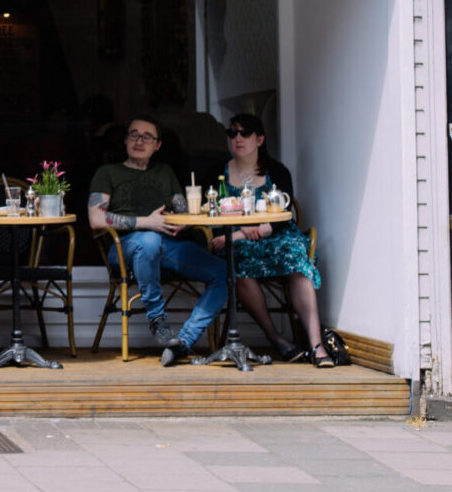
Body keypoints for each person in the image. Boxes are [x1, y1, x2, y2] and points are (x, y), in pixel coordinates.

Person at [85, 115, 227, 366]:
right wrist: (146, 222)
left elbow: (182, 208)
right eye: (134, 134)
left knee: (223, 272)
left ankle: (184, 342)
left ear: (158, 145)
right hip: (125, 247)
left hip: (168, 246)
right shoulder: (108, 172)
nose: (139, 141)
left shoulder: (165, 172)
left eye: (147, 137)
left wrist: (184, 220)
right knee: (148, 239)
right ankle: (158, 321)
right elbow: (96, 218)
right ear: (126, 139)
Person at [213, 113, 331, 367]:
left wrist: (256, 229)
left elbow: (284, 214)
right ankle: (275, 337)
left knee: (296, 257)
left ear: (260, 139)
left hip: (276, 234)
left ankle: (316, 344)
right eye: (233, 133)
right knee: (238, 263)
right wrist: (237, 234)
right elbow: (210, 210)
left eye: (245, 133)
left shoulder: (277, 171)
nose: (238, 138)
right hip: (238, 241)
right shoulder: (219, 173)